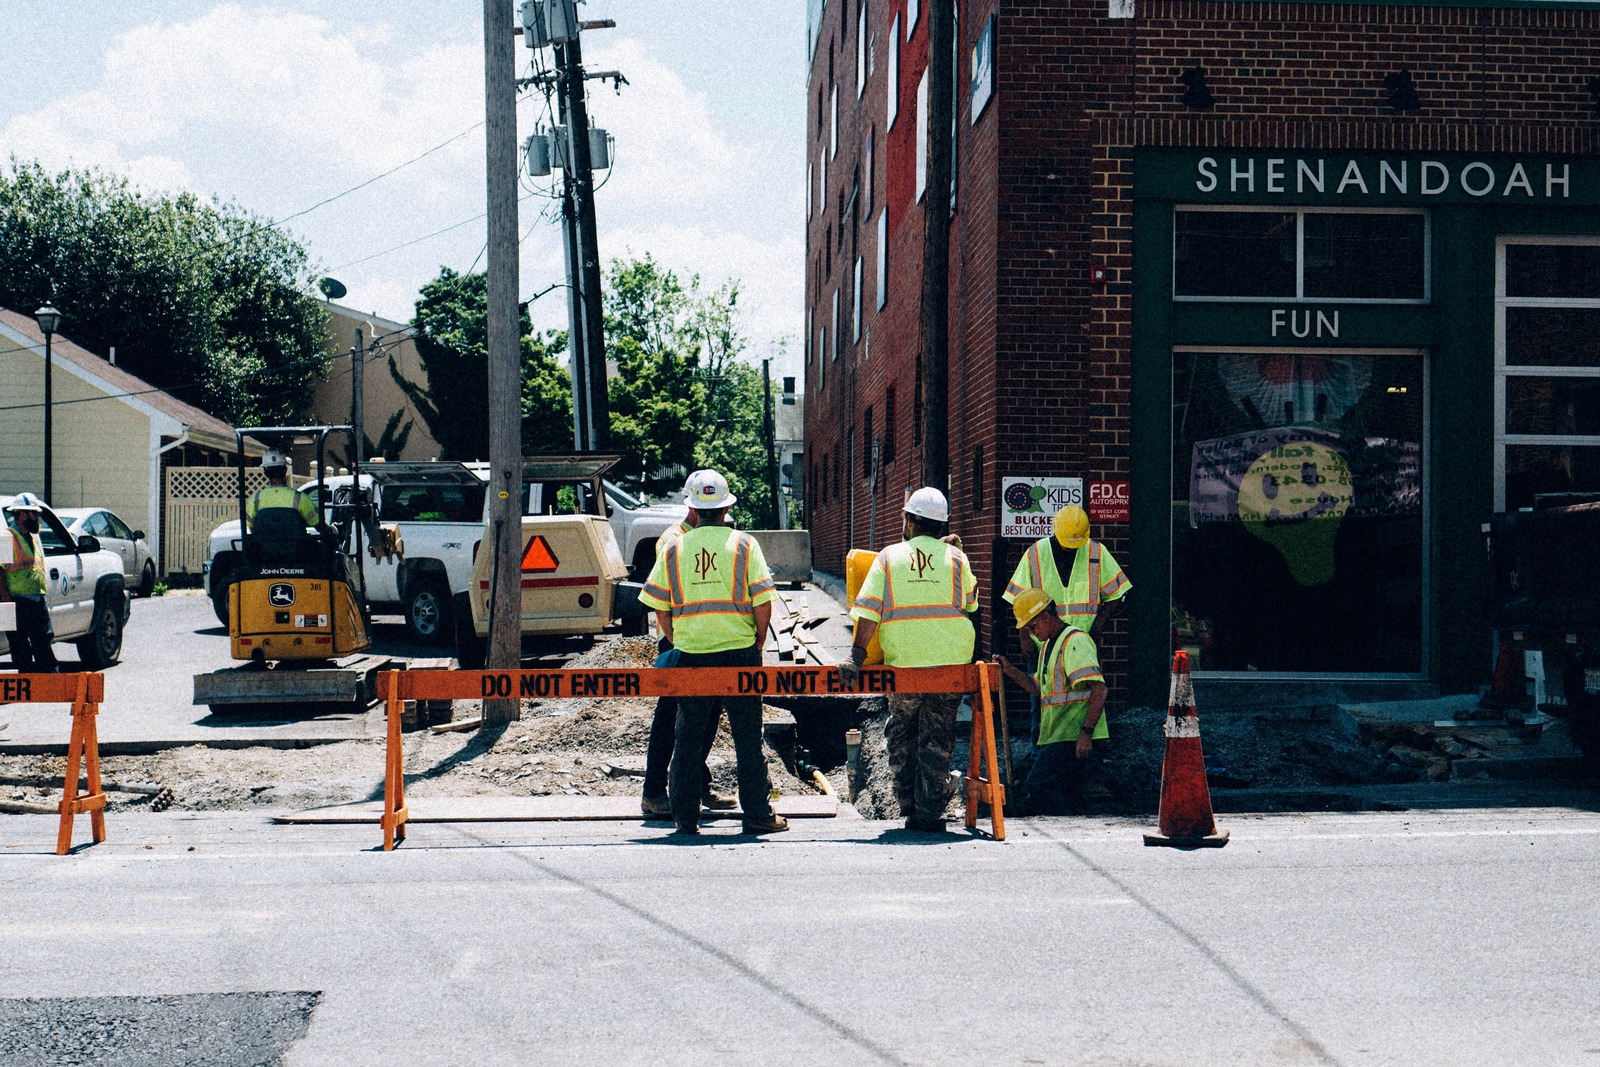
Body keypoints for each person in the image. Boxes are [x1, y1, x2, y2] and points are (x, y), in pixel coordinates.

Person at [639, 469, 787, 836]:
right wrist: (758, 640)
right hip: (739, 652)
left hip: (692, 654)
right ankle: (756, 814)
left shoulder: (673, 546)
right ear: (725, 508)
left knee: (688, 736)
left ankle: (685, 817)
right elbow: (762, 601)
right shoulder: (744, 544)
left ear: (692, 507)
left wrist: (677, 639)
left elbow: (659, 604)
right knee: (747, 738)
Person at [841, 487, 979, 832]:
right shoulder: (958, 559)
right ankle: (929, 810)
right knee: (937, 736)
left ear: (910, 521)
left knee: (902, 732)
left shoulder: (888, 557)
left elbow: (869, 611)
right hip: (950, 664)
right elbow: (972, 605)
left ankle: (907, 801)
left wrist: (856, 656)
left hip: (905, 665)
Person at [640, 501, 735, 819]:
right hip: (679, 643)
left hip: (706, 643)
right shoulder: (673, 539)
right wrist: (674, 642)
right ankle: (653, 792)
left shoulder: (703, 538)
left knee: (707, 716)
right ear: (699, 510)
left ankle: (696, 783)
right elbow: (661, 600)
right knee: (669, 717)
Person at [1001, 504, 1129, 739]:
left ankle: (1082, 748)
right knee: (1040, 704)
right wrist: (1024, 638)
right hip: (1043, 646)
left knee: (1085, 701)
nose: (1070, 550)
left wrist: (1099, 624)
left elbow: (1118, 593)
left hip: (1081, 646)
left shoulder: (1096, 552)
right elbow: (1018, 599)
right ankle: (1040, 751)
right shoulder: (1036, 553)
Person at [997, 588, 1108, 816]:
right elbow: (1039, 690)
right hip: (1060, 735)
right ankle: (1078, 827)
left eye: (1032, 626)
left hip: (1073, 736)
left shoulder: (1075, 642)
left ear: (1046, 617)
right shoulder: (1049, 645)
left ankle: (1067, 826)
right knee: (1069, 791)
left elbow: (1099, 689)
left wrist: (1085, 734)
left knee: (1039, 785)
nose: (1032, 633)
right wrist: (1010, 671)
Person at [1, 493, 60, 673]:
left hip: (35, 599)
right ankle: (26, 685)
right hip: (13, 601)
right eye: (34, 514)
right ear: (21, 514)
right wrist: (6, 602)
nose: (38, 518)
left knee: (43, 640)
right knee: (18, 645)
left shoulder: (33, 537)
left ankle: (49, 683)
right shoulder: (5, 537)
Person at [245, 449, 319, 530]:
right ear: (285, 470)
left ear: (265, 473)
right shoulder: (300, 498)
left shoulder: (255, 499)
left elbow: (251, 527)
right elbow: (319, 524)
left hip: (265, 543)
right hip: (296, 543)